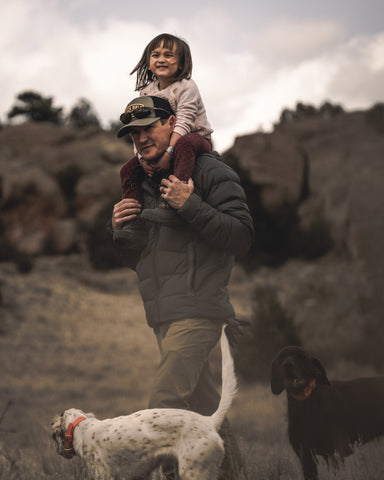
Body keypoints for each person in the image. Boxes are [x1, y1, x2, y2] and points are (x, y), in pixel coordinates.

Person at [110, 95, 254, 480]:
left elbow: (241, 235)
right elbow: (143, 259)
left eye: (148, 128)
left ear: (172, 123)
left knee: (164, 410)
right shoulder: (140, 181)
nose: (140, 139)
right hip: (164, 317)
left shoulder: (209, 170)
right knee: (203, 415)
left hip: (201, 311)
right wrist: (121, 229)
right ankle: (234, 474)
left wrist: (190, 204)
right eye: (133, 133)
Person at [113, 33, 213, 249]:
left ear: (182, 62)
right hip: (166, 141)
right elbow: (139, 128)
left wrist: (168, 152)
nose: (161, 59)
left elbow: (184, 121)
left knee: (186, 143)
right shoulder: (147, 91)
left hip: (197, 138)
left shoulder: (187, 86)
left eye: (169, 55)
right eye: (156, 55)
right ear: (148, 62)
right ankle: (133, 223)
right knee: (127, 170)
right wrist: (141, 159)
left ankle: (172, 202)